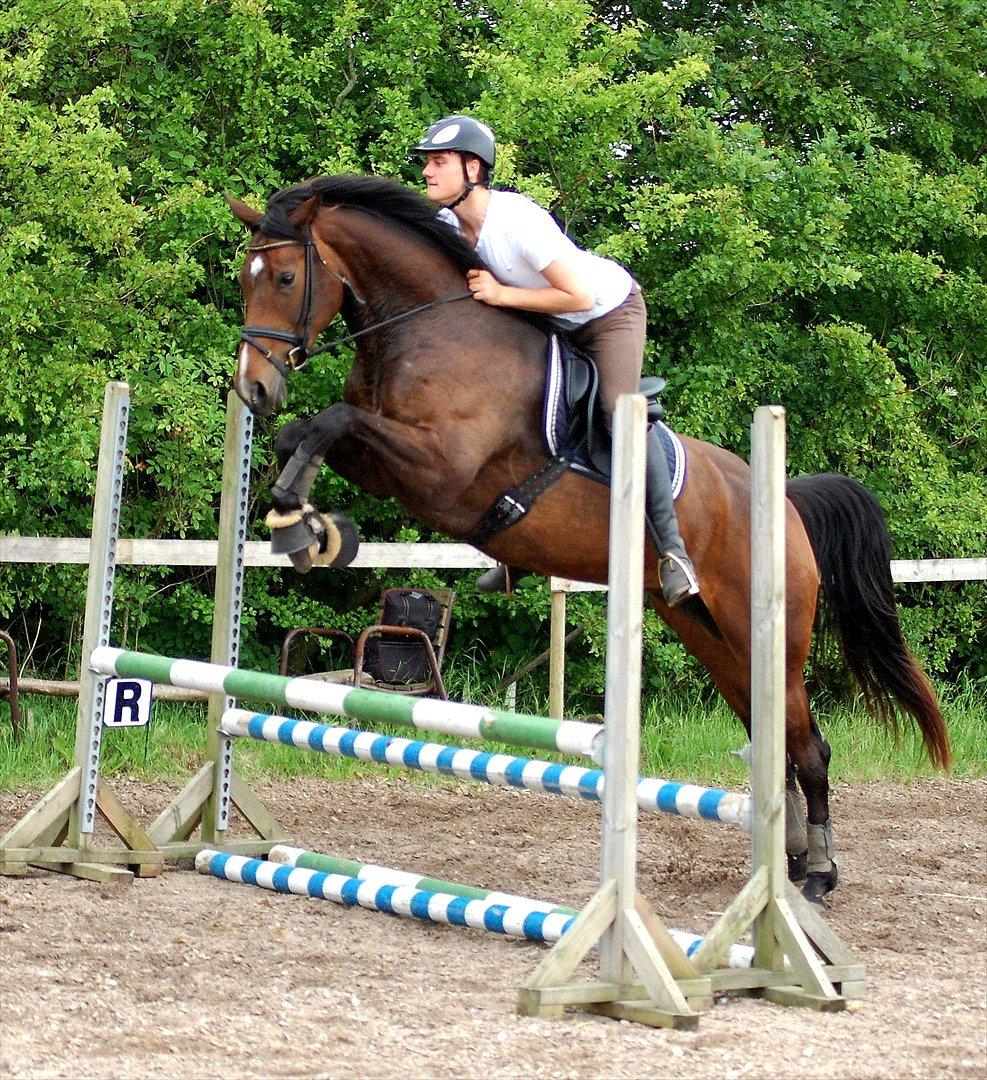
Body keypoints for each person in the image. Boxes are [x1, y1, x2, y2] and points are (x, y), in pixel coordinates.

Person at [410, 115, 700, 608]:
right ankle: (522, 546)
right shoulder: (448, 226)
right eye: (427, 163)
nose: (427, 173)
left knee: (616, 411)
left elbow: (578, 294)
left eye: (439, 162)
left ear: (473, 169)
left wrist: (501, 293)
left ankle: (673, 551)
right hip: (546, 322)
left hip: (605, 314)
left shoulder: (515, 220)